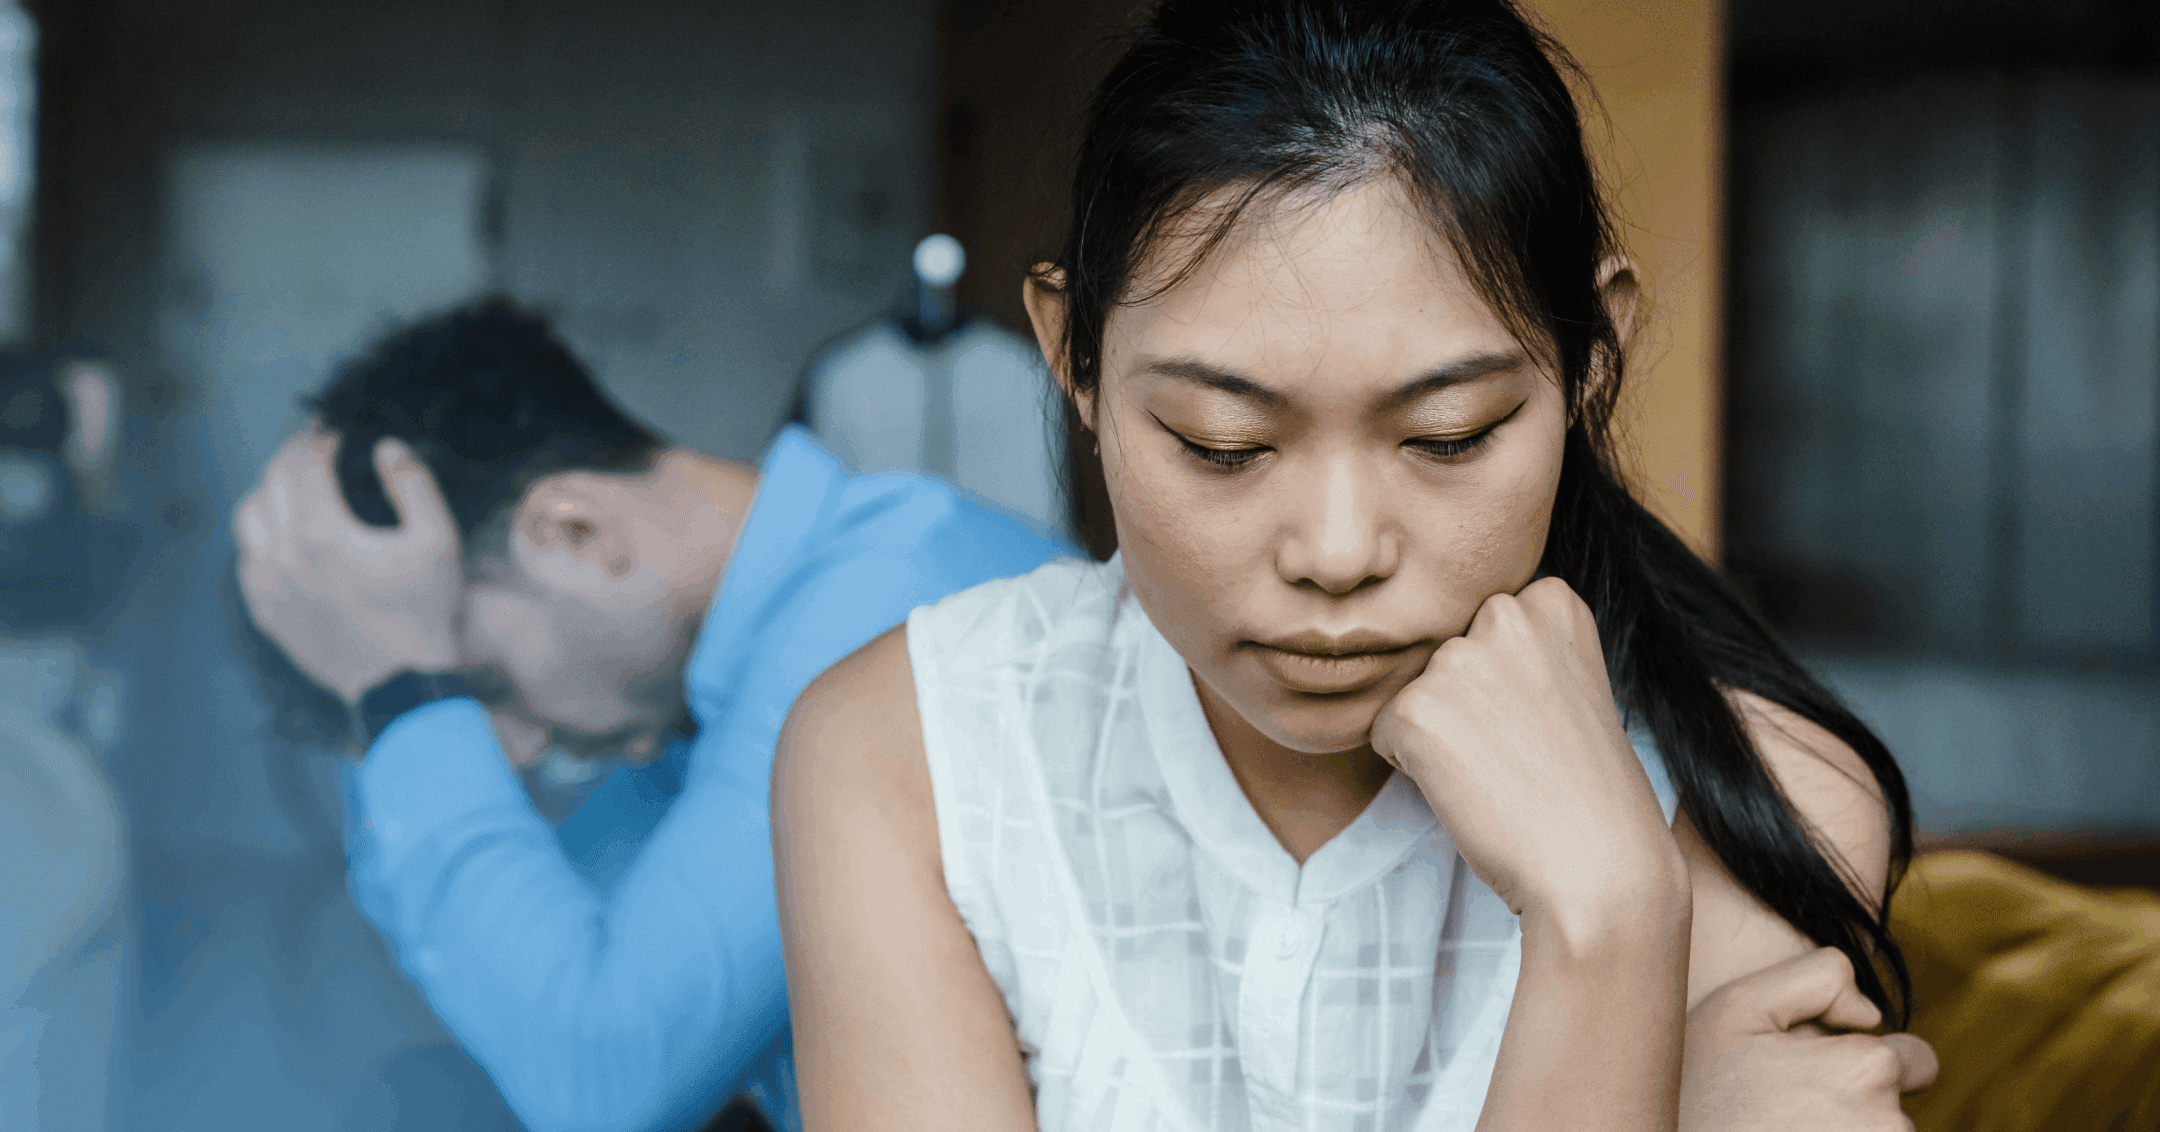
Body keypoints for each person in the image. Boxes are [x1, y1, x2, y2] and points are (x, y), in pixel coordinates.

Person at [773, 2, 1939, 1129]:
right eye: (1222, 445)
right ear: (1073, 357)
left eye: (1449, 436)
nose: (1336, 554)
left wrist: (1611, 916)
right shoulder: (915, 753)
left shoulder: (1766, 793)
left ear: (1593, 360)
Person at [232, 299, 1069, 1132]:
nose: (509, 753)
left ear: (575, 531)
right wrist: (381, 700)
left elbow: (602, 1077)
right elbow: (521, 995)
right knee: (419, 1096)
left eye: (482, 686)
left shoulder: (887, 606)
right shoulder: (704, 686)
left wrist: (403, 690)